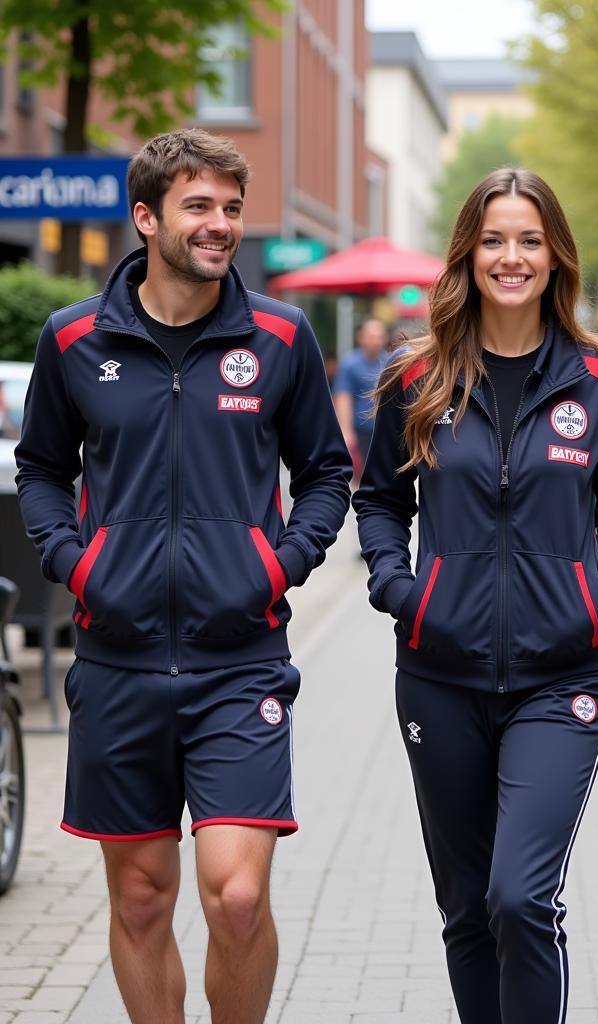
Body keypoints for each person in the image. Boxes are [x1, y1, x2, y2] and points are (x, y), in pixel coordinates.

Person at [15, 129, 351, 1023]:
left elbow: (326, 473)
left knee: (234, 899)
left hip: (240, 660)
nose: (221, 226)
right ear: (146, 217)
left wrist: (276, 565)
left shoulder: (278, 338)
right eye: (199, 206)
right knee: (140, 899)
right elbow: (42, 468)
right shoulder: (74, 338)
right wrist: (77, 563)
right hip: (117, 658)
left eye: (232, 209)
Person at [354, 168, 598, 1023]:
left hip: (565, 674)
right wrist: (399, 589)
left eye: (529, 240)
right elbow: (379, 499)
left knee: (521, 898)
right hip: (439, 673)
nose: (511, 257)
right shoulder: (417, 376)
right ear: (467, 253)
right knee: (466, 910)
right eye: (493, 240)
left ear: (556, 254)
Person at [333, 316, 389, 481]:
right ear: (361, 337)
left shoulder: (390, 362)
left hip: (383, 429)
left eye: (379, 336)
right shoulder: (350, 363)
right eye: (371, 336)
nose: (376, 341)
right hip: (360, 430)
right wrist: (346, 431)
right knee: (362, 475)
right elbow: (343, 396)